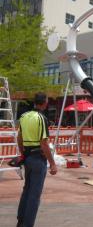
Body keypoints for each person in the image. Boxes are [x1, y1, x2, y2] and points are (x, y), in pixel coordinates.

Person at [16, 92, 57, 227]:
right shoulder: (41, 118)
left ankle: (20, 220)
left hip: (27, 158)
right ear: (44, 103)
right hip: (38, 159)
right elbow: (44, 143)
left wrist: (23, 154)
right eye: (47, 101)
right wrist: (52, 164)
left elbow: (19, 138)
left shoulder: (23, 116)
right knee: (34, 195)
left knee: (26, 189)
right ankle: (28, 224)